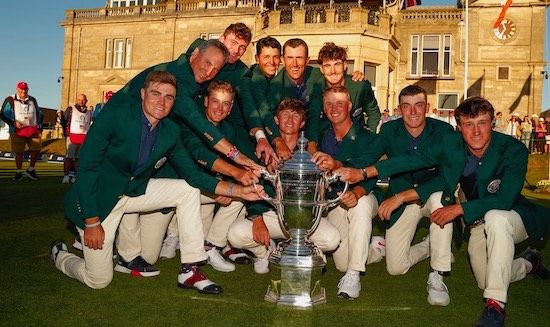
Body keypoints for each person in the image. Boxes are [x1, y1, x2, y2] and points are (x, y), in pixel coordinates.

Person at [338, 96, 550, 326]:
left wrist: (458, 209)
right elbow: (411, 159)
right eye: (469, 124)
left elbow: (505, 199)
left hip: (511, 216)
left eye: (482, 122)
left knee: (496, 217)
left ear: (493, 123)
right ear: (459, 127)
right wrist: (364, 173)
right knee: (486, 279)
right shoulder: (452, 144)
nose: (476, 131)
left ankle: (495, 306)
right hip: (478, 220)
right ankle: (529, 263)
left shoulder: (513, 149)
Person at [50, 71, 265, 293]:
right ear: (143, 94)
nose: (161, 102)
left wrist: (238, 191)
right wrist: (92, 222)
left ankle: (189, 269)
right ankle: (61, 256)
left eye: (169, 97)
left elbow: (193, 175)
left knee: (186, 190)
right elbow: (87, 169)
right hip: (98, 202)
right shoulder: (115, 117)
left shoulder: (170, 130)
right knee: (99, 280)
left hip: (133, 194)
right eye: (156, 94)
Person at [337, 85, 455, 305]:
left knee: (441, 199)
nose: (413, 112)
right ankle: (430, 245)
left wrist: (401, 197)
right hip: (402, 201)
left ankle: (438, 274)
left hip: (429, 195)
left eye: (418, 105)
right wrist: (339, 166)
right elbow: (369, 156)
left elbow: (447, 179)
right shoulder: (390, 130)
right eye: (406, 106)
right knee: (396, 267)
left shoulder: (444, 132)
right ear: (399, 109)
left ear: (427, 107)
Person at [227, 99, 341, 275]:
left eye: (295, 116)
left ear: (302, 123)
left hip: (302, 217)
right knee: (235, 234)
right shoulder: (262, 148)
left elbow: (323, 189)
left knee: (332, 239)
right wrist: (257, 218)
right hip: (271, 214)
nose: (289, 120)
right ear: (276, 119)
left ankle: (304, 252)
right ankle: (264, 252)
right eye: (285, 115)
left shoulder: (310, 155)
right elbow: (251, 184)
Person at [311, 86, 383, 300]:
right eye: (329, 104)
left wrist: (358, 191)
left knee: (359, 206)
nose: (334, 108)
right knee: (342, 261)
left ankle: (354, 276)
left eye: (339, 103)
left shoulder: (368, 137)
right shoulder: (322, 135)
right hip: (336, 200)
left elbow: (368, 167)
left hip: (364, 194)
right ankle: (376, 249)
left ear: (350, 106)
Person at [317, 42, 381, 133]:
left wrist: (368, 134)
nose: (333, 71)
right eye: (327, 66)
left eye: (337, 64)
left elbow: (373, 112)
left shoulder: (360, 86)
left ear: (345, 65)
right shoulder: (315, 88)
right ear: (321, 69)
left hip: (356, 140)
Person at [0, 82, 42, 181]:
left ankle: (31, 169)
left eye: (25, 89)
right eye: (21, 89)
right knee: (19, 152)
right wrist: (13, 123)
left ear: (28, 89)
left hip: (32, 128)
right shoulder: (10, 99)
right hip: (16, 130)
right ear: (17, 89)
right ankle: (18, 172)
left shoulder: (32, 100)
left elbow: (38, 112)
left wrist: (39, 124)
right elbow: (2, 114)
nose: (23, 91)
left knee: (37, 148)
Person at [61, 93, 92, 184]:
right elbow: (64, 120)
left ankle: (75, 176)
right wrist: (65, 131)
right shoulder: (71, 109)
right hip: (72, 136)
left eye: (83, 100)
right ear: (77, 100)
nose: (81, 101)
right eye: (79, 99)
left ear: (86, 101)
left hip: (83, 137)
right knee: (69, 157)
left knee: (78, 158)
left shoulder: (89, 112)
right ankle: (66, 176)